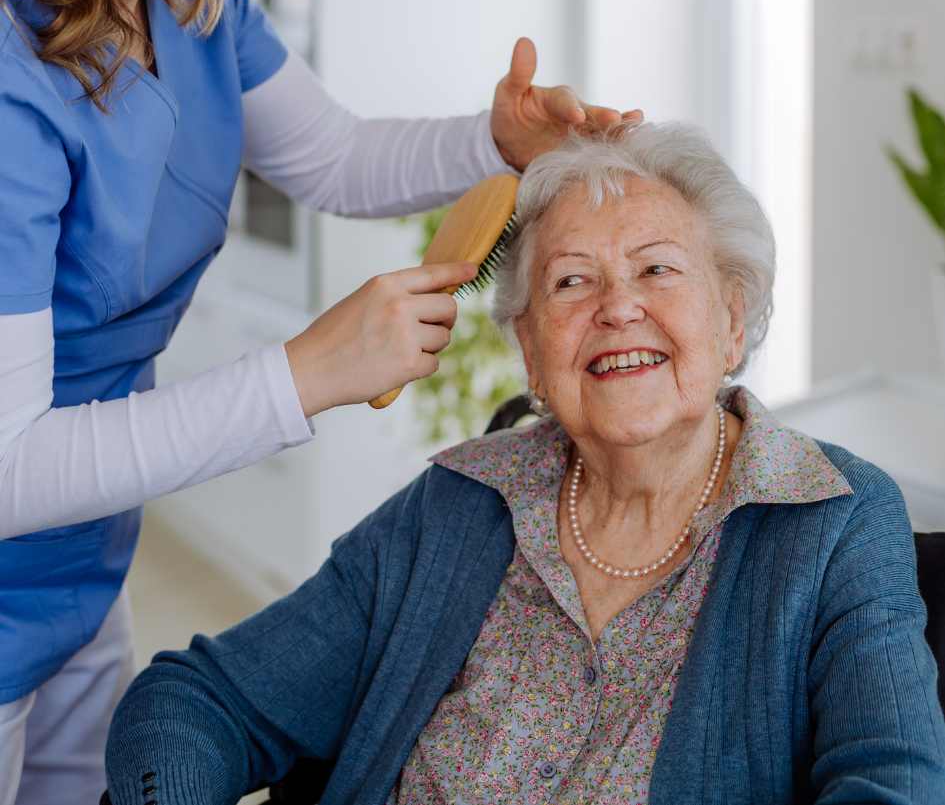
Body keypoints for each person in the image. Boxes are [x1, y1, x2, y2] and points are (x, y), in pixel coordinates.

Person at [0, 0, 640, 801]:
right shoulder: (14, 86)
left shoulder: (187, 4)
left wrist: (496, 143)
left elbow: (335, 158)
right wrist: (301, 375)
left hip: (81, 554)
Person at [103, 121, 945, 805]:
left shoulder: (834, 519)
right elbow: (200, 699)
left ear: (732, 319)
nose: (619, 306)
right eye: (572, 282)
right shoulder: (457, 504)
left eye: (656, 268)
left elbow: (892, 782)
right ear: (531, 354)